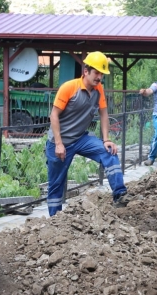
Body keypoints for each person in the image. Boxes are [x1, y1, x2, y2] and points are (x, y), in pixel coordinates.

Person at [45, 51, 129, 216]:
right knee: (56, 184)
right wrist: (59, 144)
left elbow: (104, 113)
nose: (99, 77)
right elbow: (53, 115)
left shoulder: (99, 89)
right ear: (86, 71)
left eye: (101, 74)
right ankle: (55, 221)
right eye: (96, 73)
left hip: (81, 138)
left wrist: (106, 139)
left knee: (109, 152)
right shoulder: (69, 88)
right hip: (60, 142)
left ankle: (119, 194)